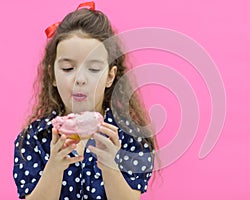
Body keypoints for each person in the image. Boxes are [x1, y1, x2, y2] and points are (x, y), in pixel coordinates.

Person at [13, 2, 157, 199]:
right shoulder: (35, 138)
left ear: (110, 76)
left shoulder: (130, 136)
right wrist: (54, 167)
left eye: (94, 69)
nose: (80, 79)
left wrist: (109, 165)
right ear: (52, 75)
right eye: (67, 69)